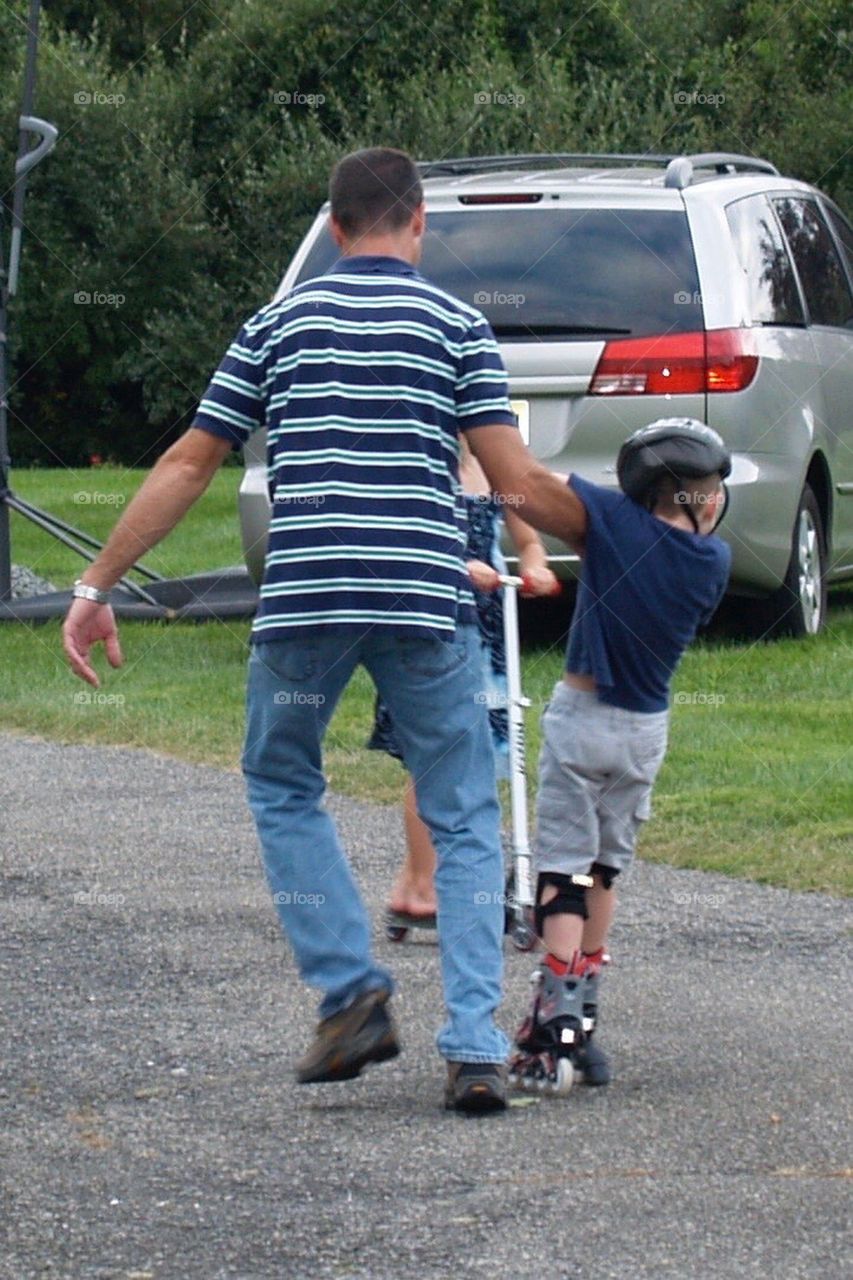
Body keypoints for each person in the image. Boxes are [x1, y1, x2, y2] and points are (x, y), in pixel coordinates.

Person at [61, 146, 586, 1115]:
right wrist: (617, 536)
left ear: (334, 229)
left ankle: (350, 992)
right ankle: (471, 1047)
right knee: (465, 811)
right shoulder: (455, 326)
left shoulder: (276, 324)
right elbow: (513, 480)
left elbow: (188, 462)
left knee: (282, 779)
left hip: (305, 597)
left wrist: (97, 581)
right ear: (418, 225)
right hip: (424, 597)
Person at [506, 418, 733, 1096]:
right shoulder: (711, 563)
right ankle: (584, 1027)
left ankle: (554, 1027)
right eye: (711, 487)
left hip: (581, 720)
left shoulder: (609, 522)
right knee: (602, 870)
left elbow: (534, 487)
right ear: (698, 499)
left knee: (563, 873)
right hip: (644, 731)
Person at [369, 434, 557, 927]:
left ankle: (421, 881)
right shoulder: (413, 466)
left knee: (480, 753)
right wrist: (454, 563)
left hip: (488, 626)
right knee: (433, 755)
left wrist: (535, 565)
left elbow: (528, 537)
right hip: (429, 623)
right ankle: (423, 882)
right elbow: (394, 538)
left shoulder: (494, 470)